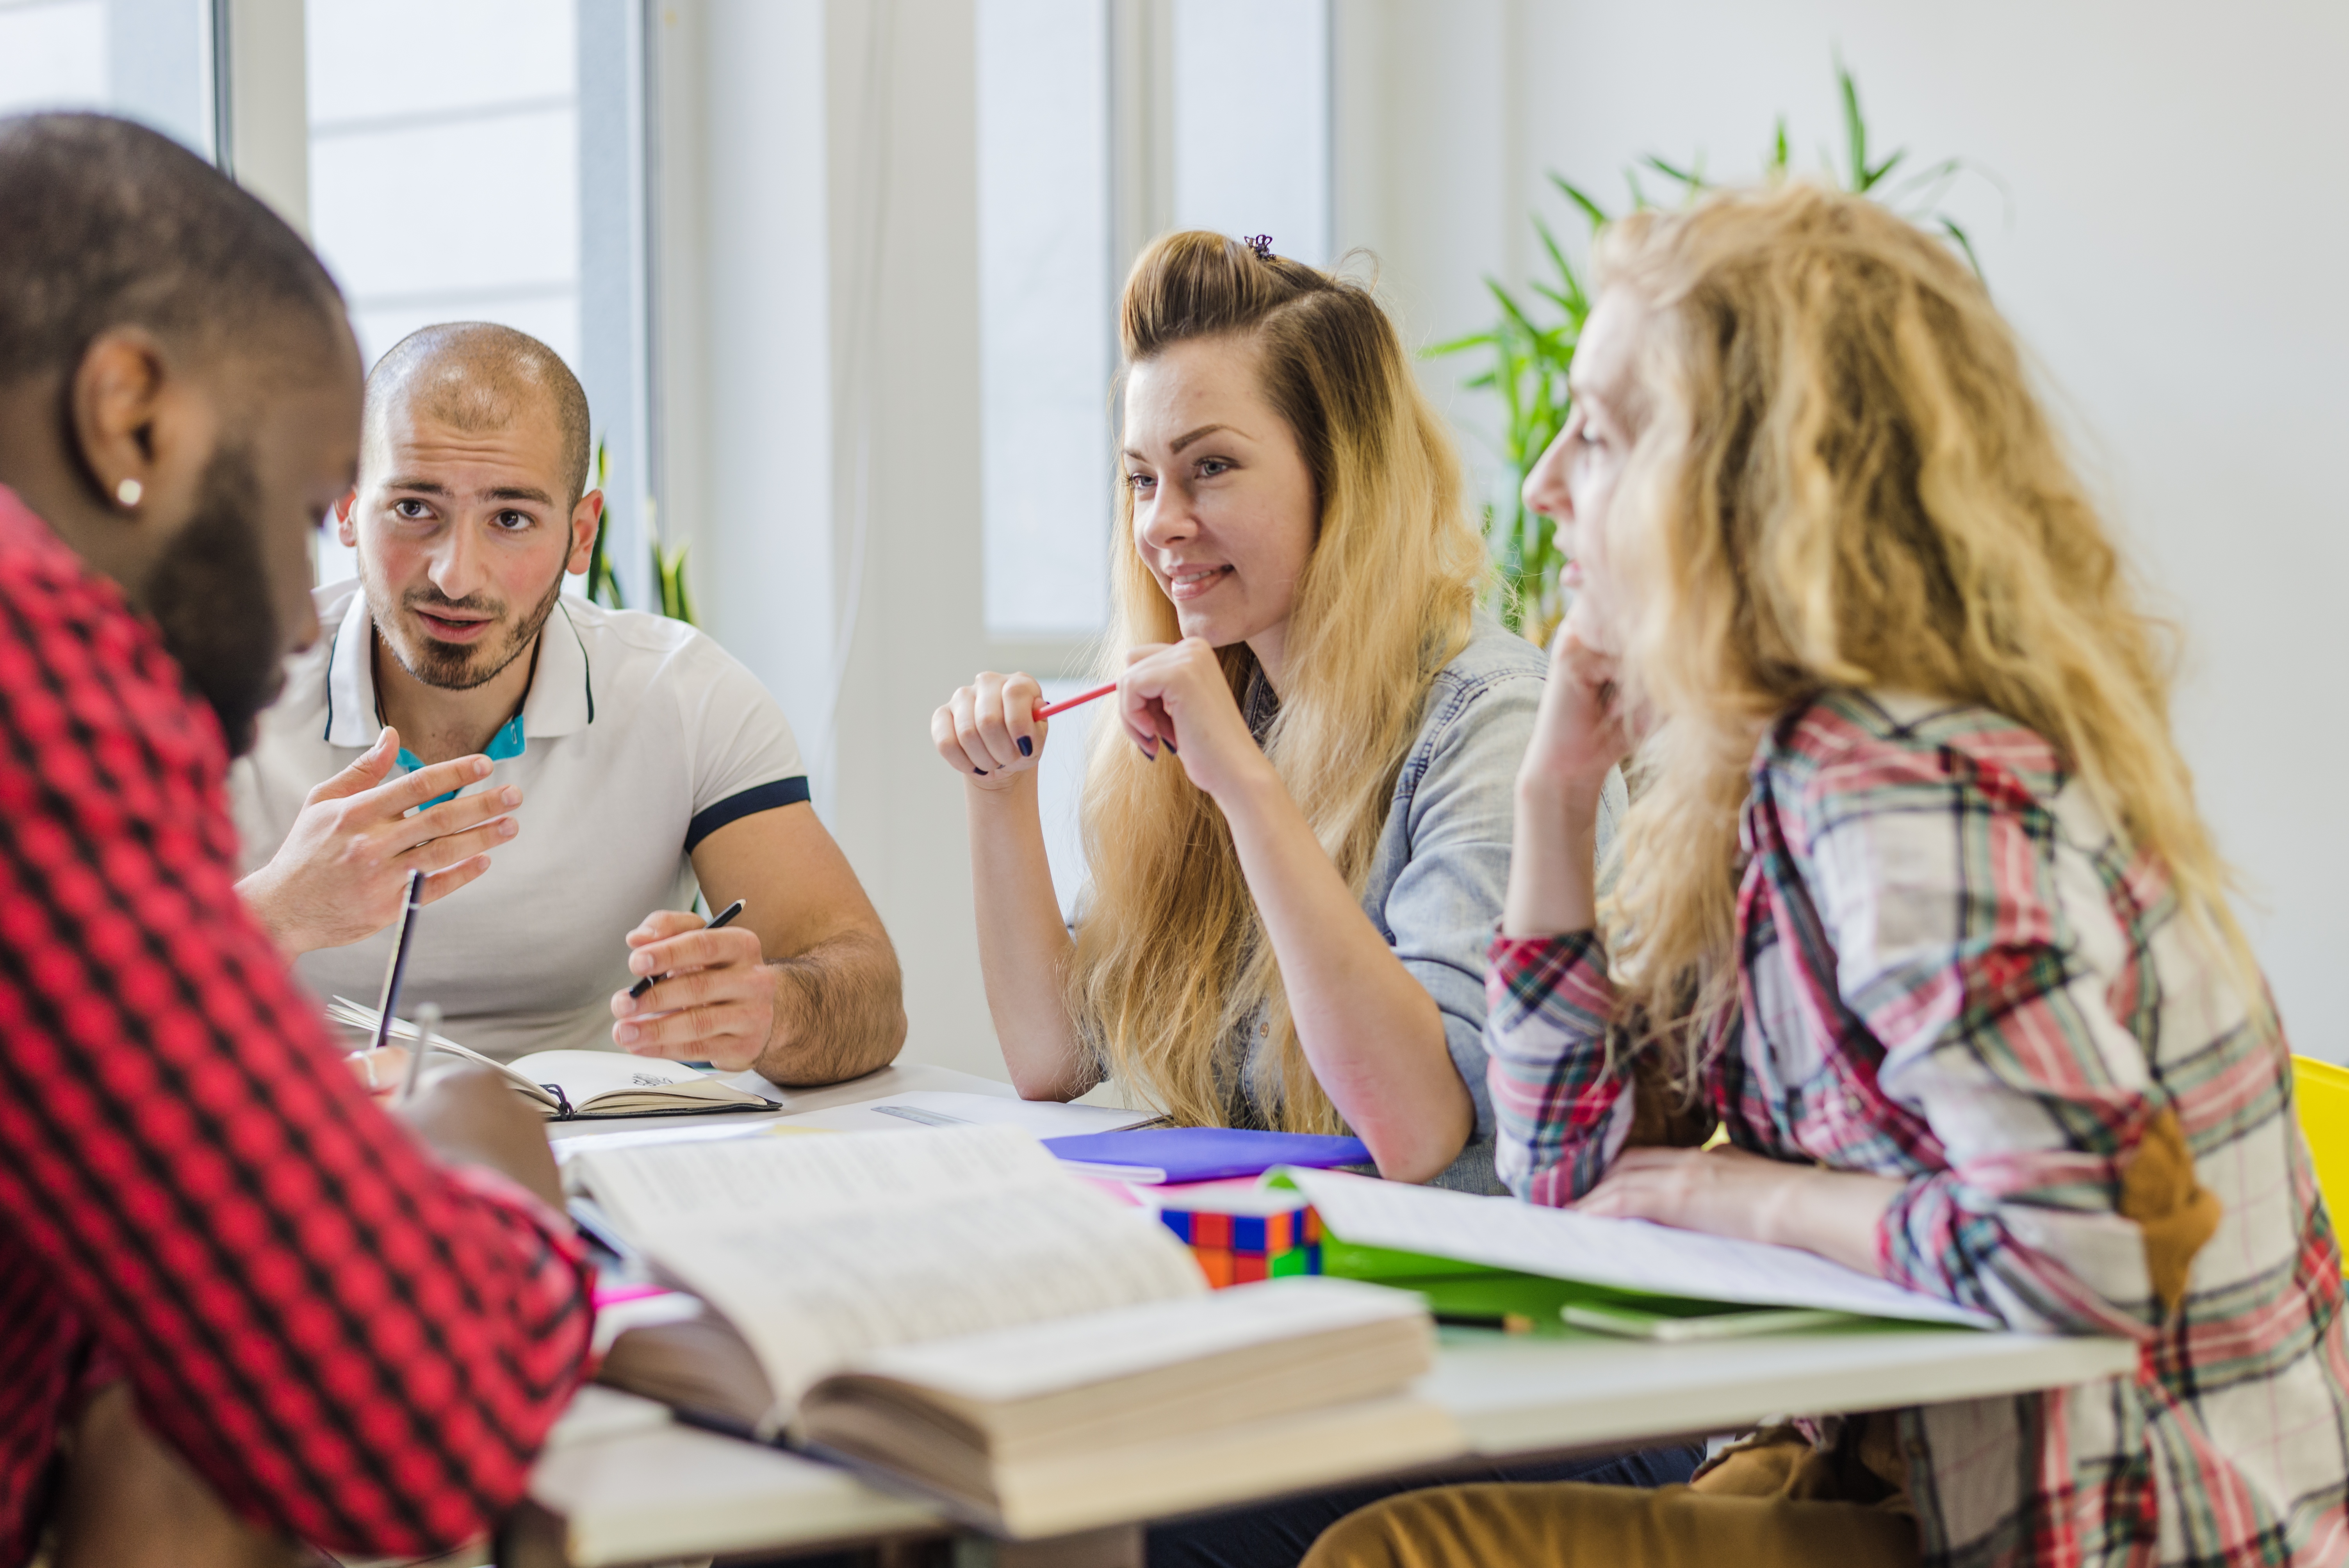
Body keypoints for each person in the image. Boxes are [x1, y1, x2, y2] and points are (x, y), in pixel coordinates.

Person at [1305, 185, 2349, 1568]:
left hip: (2118, 1519)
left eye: (1603, 436)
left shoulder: (1888, 782)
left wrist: (1738, 1194)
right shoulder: (1749, 771)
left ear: (1746, 490)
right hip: (1902, 1468)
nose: (1547, 482)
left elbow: (2083, 1252)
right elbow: (1565, 1173)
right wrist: (1555, 797)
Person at [0, 114, 593, 1566]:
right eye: (302, 504)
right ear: (132, 415)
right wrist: (487, 1150)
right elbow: (409, 1412)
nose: (293, 613)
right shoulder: (31, 658)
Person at [933, 230, 1624, 1191]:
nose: (1158, 525)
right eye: (1141, 478)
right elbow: (1054, 1059)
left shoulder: (1490, 724)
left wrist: (1245, 788)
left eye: (1209, 467)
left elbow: (1418, 1131)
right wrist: (997, 790)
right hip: (1257, 1266)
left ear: (1342, 477)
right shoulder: (1225, 703)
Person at [231, 322, 905, 1078]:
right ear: (349, 509)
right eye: (415, 509)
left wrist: (771, 1011)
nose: (457, 576)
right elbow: (77, 996)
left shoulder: (685, 695)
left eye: (511, 519)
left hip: (591, 1151)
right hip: (296, 1150)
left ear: (581, 534)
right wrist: (272, 913)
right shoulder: (219, 689)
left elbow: (868, 996)